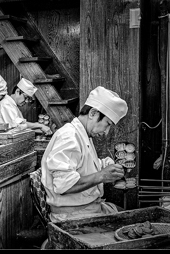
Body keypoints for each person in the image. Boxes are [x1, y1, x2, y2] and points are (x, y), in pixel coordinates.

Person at [40, 86, 128, 222]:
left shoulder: (82, 135)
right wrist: (102, 175)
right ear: (93, 113)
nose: (106, 132)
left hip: (89, 209)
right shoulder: (69, 136)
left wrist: (105, 165)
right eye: (107, 124)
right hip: (73, 217)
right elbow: (65, 185)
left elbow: (84, 166)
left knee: (129, 217)